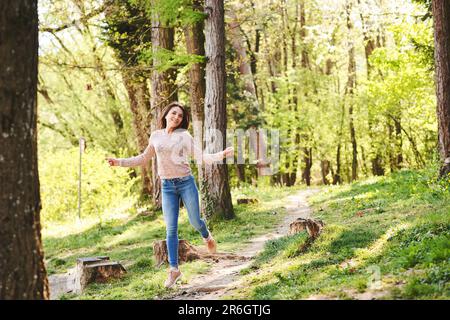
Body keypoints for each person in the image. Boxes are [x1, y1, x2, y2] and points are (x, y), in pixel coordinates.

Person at [106, 101, 234, 288]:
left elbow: (201, 157)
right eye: (173, 113)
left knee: (195, 221)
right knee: (171, 229)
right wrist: (119, 162)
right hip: (167, 187)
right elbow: (143, 158)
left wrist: (221, 154)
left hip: (186, 183)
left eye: (180, 116)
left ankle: (207, 236)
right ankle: (174, 270)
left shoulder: (184, 136)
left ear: (182, 120)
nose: (176, 117)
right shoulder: (156, 136)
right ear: (166, 115)